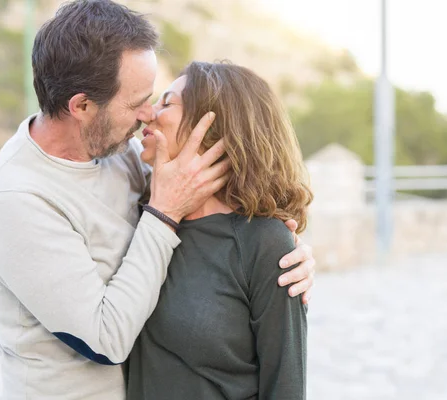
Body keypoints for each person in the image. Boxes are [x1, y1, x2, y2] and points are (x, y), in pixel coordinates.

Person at [0, 1, 315, 399]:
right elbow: (106, 340)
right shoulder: (14, 198)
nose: (148, 114)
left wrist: (288, 253)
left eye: (159, 100)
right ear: (82, 106)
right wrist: (164, 213)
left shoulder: (120, 151)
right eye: (137, 103)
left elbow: (222, 211)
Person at [126, 62, 312, 399]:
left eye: (166, 103)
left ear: (212, 127)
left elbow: (285, 386)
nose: (148, 114)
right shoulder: (140, 220)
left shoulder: (266, 243)